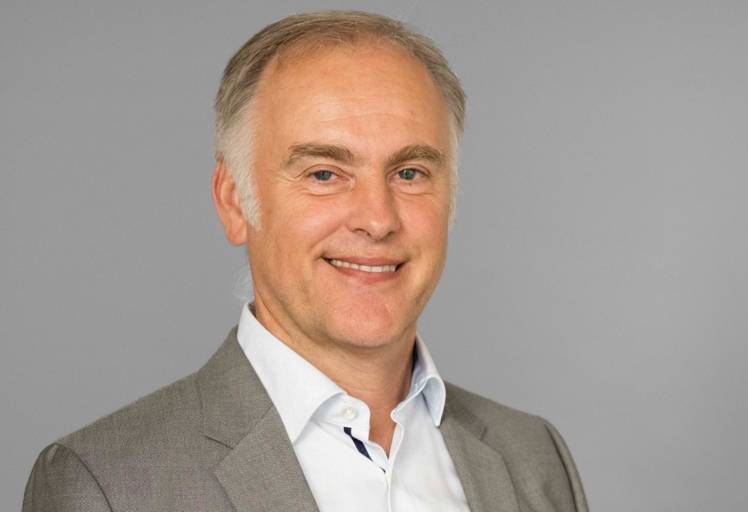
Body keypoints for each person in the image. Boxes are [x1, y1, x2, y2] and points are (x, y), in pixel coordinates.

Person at [23, 11, 588, 512]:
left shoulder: (534, 458)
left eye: (410, 173)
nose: (377, 219)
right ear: (234, 202)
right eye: (324, 174)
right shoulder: (107, 486)